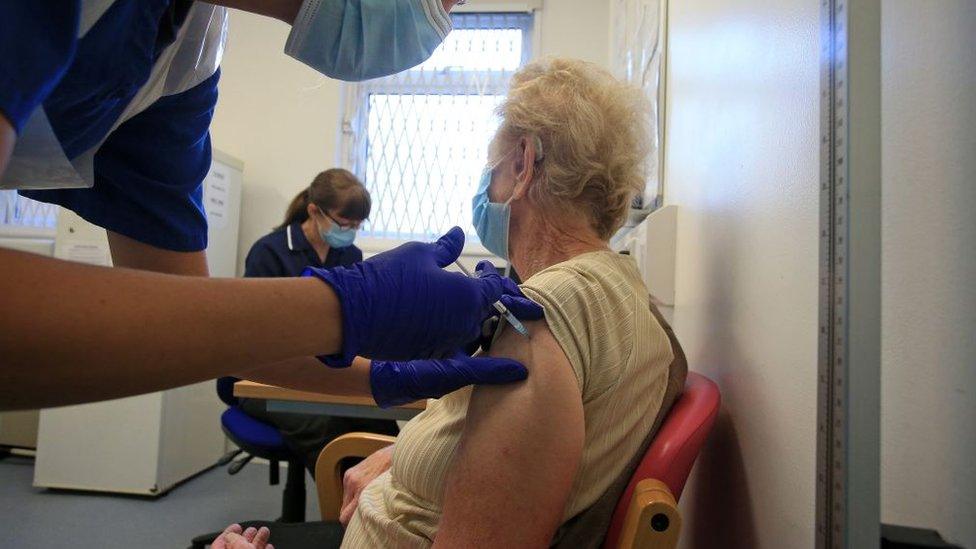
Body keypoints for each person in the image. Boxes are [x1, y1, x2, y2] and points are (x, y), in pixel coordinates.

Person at [224, 57, 678, 548]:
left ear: (523, 164)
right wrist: (399, 447)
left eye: (492, 166)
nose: (486, 182)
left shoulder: (546, 311)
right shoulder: (625, 291)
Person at [0, 0, 544, 411]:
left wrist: (380, 378)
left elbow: (194, 323)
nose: (441, 19)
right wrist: (342, 310)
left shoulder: (184, 58)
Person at [237, 169, 398, 473]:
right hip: (266, 377)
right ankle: (341, 507)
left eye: (357, 225)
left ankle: (380, 507)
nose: (349, 231)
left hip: (325, 370)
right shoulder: (270, 251)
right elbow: (255, 332)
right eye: (343, 223)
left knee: (380, 424)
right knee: (326, 428)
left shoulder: (349, 254)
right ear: (314, 211)